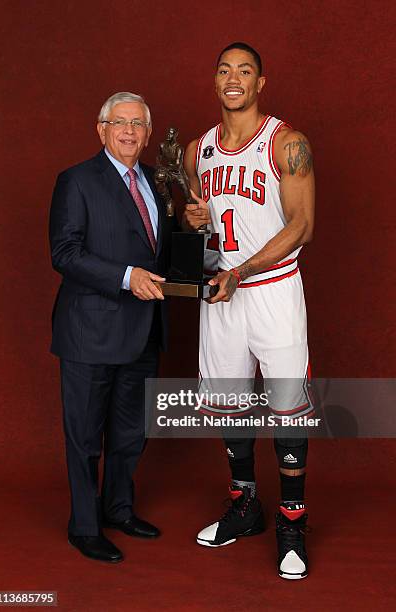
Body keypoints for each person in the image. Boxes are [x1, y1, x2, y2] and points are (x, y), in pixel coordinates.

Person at [183, 42, 315, 579]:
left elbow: (301, 224)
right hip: (222, 293)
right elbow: (205, 228)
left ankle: (292, 524)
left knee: (288, 407)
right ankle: (246, 505)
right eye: (223, 70)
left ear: (262, 82)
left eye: (244, 71)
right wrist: (196, 226)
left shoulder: (288, 143)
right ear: (213, 80)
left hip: (272, 289)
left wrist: (243, 271)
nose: (232, 79)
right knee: (227, 403)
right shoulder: (197, 151)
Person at [49, 91, 177, 563]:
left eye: (137, 124)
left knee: (129, 433)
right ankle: (84, 527)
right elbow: (64, 253)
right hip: (90, 332)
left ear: (147, 134)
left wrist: (191, 228)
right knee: (85, 437)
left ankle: (119, 510)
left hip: (144, 330)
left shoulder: (157, 184)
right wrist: (126, 278)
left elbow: (157, 250)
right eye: (118, 122)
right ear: (101, 130)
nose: (128, 131)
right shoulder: (77, 181)